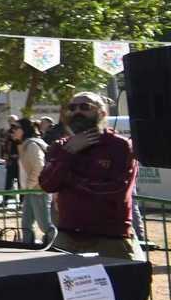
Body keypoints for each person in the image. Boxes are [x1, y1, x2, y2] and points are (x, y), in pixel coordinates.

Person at [40, 92, 141, 260]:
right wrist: (69, 152)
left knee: (120, 285)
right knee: (55, 284)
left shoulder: (121, 146)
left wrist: (71, 180)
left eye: (85, 107)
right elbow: (48, 184)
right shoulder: (60, 147)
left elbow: (118, 192)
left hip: (111, 239)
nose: (77, 111)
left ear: (102, 113)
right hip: (67, 236)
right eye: (73, 107)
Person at [12, 117, 53, 244]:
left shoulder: (32, 145)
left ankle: (57, 245)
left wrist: (30, 184)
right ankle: (28, 245)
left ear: (24, 129)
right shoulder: (25, 145)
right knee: (26, 223)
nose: (12, 131)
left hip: (38, 189)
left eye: (15, 128)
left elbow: (39, 166)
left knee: (45, 224)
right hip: (30, 189)